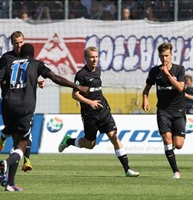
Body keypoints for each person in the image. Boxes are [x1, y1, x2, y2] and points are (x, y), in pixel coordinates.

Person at [0, 43, 88, 191]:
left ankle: (10, 183)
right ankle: (6, 163)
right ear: (33, 55)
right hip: (25, 108)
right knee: (22, 144)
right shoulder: (36, 64)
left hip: (7, 106)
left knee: (15, 141)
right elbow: (54, 77)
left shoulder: (9, 64)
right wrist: (77, 87)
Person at [58, 46, 139, 177]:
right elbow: (75, 95)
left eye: (96, 57)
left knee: (114, 137)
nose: (95, 59)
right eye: (92, 57)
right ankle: (68, 141)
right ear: (86, 58)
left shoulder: (98, 70)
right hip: (89, 115)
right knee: (90, 145)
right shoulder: (81, 75)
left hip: (104, 112)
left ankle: (127, 169)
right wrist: (90, 102)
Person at [0, 31, 45, 172]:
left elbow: (27, 75)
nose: (19, 45)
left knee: (27, 132)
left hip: (25, 101)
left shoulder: (27, 57)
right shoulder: (7, 58)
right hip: (9, 101)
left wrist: (37, 81)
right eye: (16, 43)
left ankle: (25, 161)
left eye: (21, 42)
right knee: (16, 135)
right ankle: (5, 141)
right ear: (12, 44)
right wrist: (4, 80)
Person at [142, 42, 186, 179]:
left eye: (167, 56)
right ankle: (176, 171)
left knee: (178, 145)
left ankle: (172, 149)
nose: (164, 59)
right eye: (162, 56)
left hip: (178, 111)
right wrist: (145, 99)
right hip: (163, 111)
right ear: (159, 56)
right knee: (167, 140)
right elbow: (147, 89)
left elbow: (180, 88)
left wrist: (168, 75)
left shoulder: (179, 69)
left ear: (171, 55)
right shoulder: (155, 71)